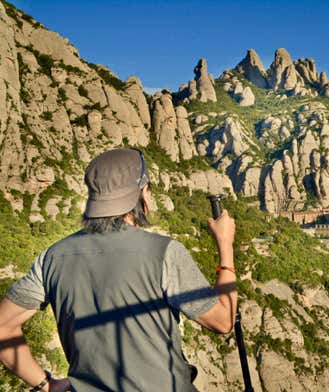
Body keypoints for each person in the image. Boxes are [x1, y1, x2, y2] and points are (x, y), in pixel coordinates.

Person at [0, 148, 237, 391]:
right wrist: (225, 245)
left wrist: (47, 385)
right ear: (143, 194)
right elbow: (222, 321)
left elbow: (2, 326)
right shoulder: (164, 252)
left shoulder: (51, 258)